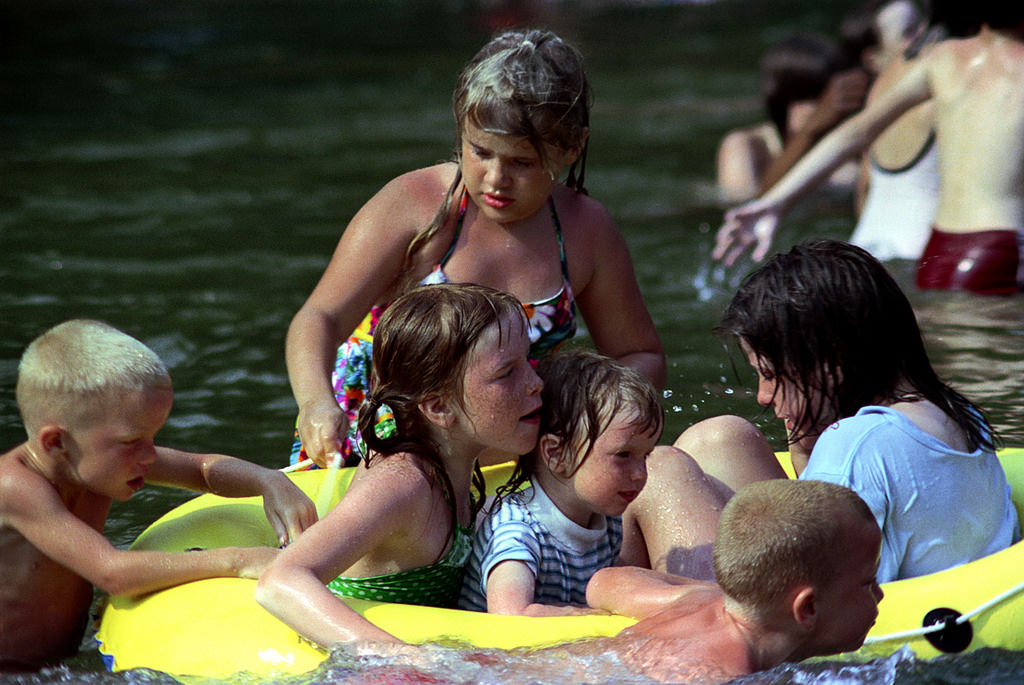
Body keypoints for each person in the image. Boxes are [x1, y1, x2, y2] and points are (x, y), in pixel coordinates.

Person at [287, 28, 664, 469]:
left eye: (522, 162)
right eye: (480, 152)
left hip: (513, 457)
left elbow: (640, 355)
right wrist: (315, 403)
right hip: (376, 445)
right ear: (460, 131)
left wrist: (585, 413)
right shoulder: (416, 206)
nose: (495, 179)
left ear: (571, 148)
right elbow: (320, 318)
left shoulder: (585, 230)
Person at [689, 240, 1018, 583]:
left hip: (886, 628)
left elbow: (810, 599)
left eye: (770, 374)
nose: (762, 395)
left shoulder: (858, 444)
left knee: (665, 472)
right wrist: (804, 449)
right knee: (722, 439)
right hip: (966, 602)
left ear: (831, 361)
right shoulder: (959, 413)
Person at [0, 319, 317, 673]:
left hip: (58, 664)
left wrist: (269, 481)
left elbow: (202, 470)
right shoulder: (15, 488)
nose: (151, 456)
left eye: (153, 437)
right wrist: (240, 559)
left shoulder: (96, 462)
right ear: (55, 442)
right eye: (133, 441)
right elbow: (113, 573)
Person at [255, 284, 544, 647]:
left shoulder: (456, 453)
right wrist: (402, 660)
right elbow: (281, 581)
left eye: (528, 362)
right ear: (438, 408)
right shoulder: (403, 483)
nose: (536, 383)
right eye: (507, 373)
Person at [714, 4, 1024, 295]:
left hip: (932, 255)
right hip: (997, 250)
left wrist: (776, 203)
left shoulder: (939, 60)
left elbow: (856, 135)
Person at [584, 478, 884, 684]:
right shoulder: (725, 675)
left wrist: (749, 587)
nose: (880, 594)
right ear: (807, 608)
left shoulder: (697, 602)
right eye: (869, 582)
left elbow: (603, 583)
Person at [458, 349, 659, 616]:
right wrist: (593, 619)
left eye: (645, 455)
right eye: (623, 455)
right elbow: (509, 616)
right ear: (556, 453)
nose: (640, 474)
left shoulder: (605, 518)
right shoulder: (517, 529)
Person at [716, 32, 869, 203]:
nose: (823, 110)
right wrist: (809, 132)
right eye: (803, 97)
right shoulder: (747, 144)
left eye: (823, 98)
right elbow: (744, 209)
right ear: (781, 101)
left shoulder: (848, 152)